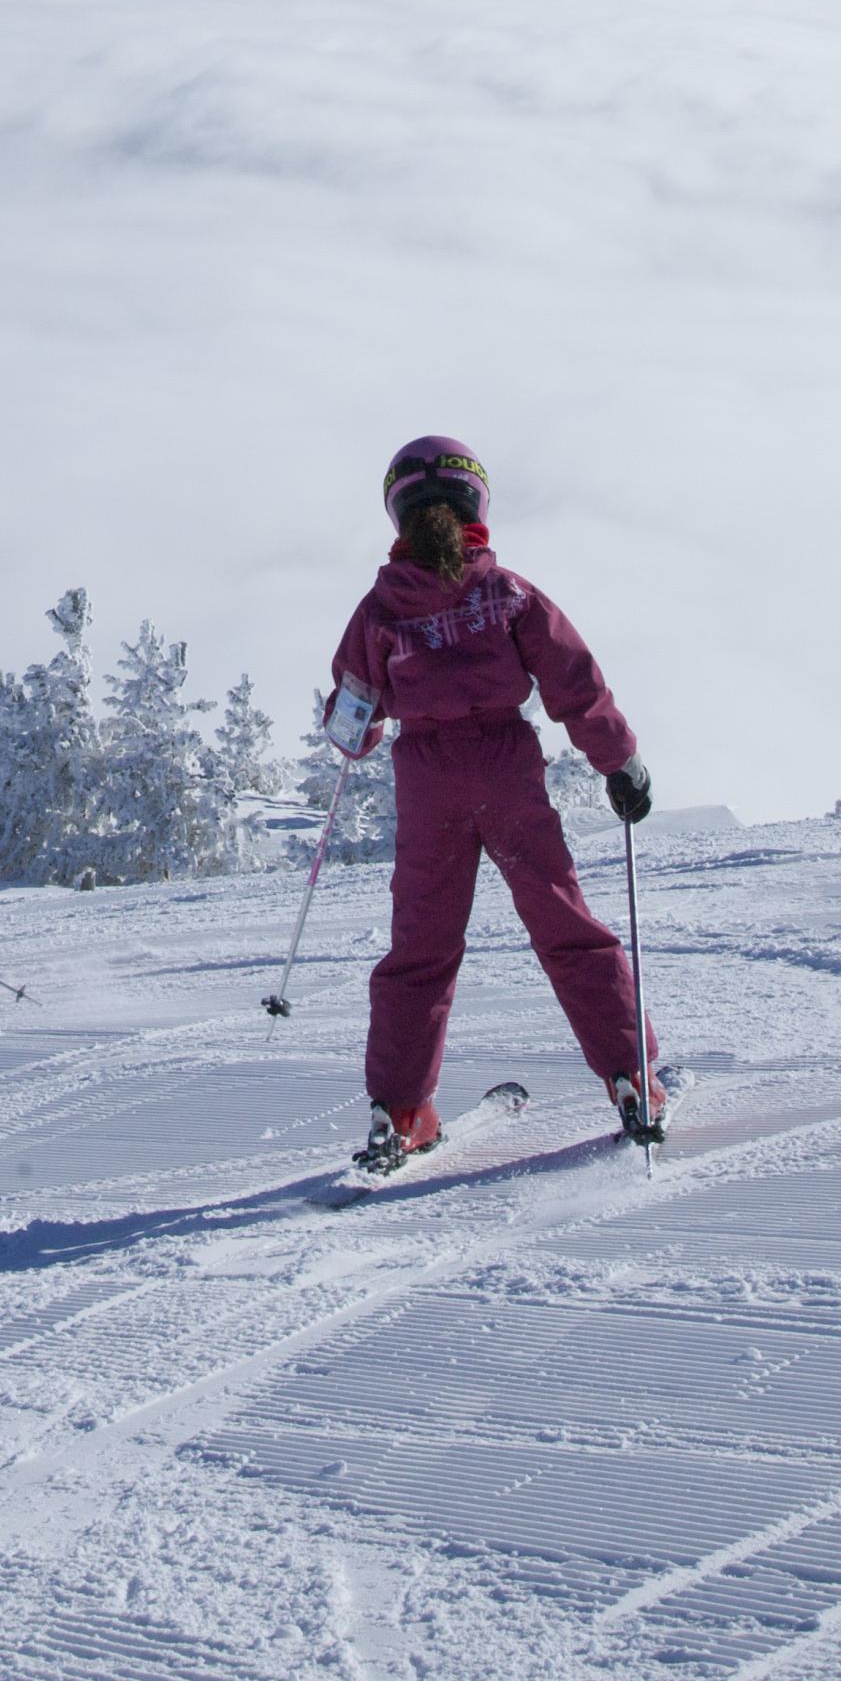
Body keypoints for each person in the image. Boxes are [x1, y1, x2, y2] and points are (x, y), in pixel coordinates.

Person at [323, 438, 659, 1170]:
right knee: (564, 924)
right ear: (474, 504)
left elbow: (353, 726)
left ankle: (401, 1113)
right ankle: (633, 1078)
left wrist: (361, 721)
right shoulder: (507, 592)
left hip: (428, 781)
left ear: (399, 512)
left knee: (422, 947)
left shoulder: (381, 611)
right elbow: (575, 683)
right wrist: (619, 762)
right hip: (507, 769)